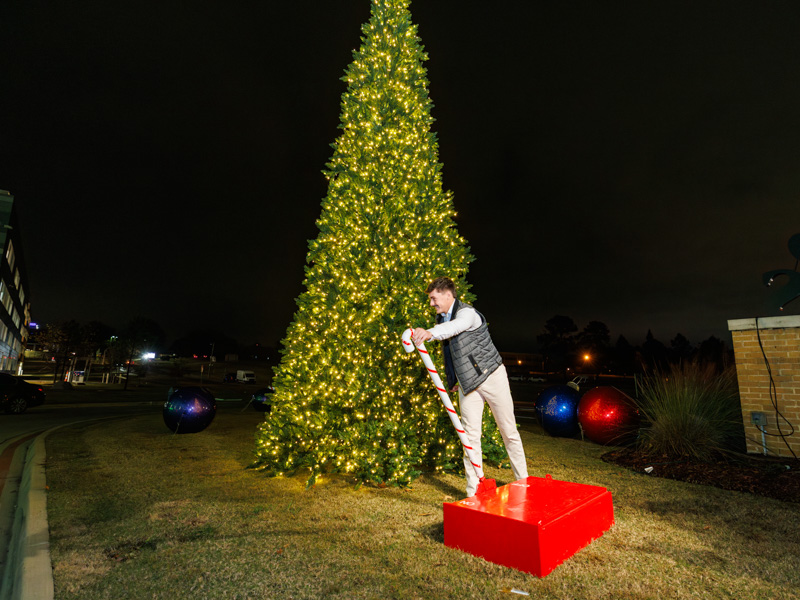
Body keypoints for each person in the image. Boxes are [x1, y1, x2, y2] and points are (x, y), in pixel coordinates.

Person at [412, 276, 528, 496]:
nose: (431, 304)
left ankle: (524, 483)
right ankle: (473, 492)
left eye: (434, 298)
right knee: (469, 439)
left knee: (508, 431)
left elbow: (455, 328)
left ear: (448, 294)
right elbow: (451, 353)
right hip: (468, 385)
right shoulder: (442, 321)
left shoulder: (467, 314)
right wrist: (453, 380)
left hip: (492, 376)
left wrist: (429, 333)